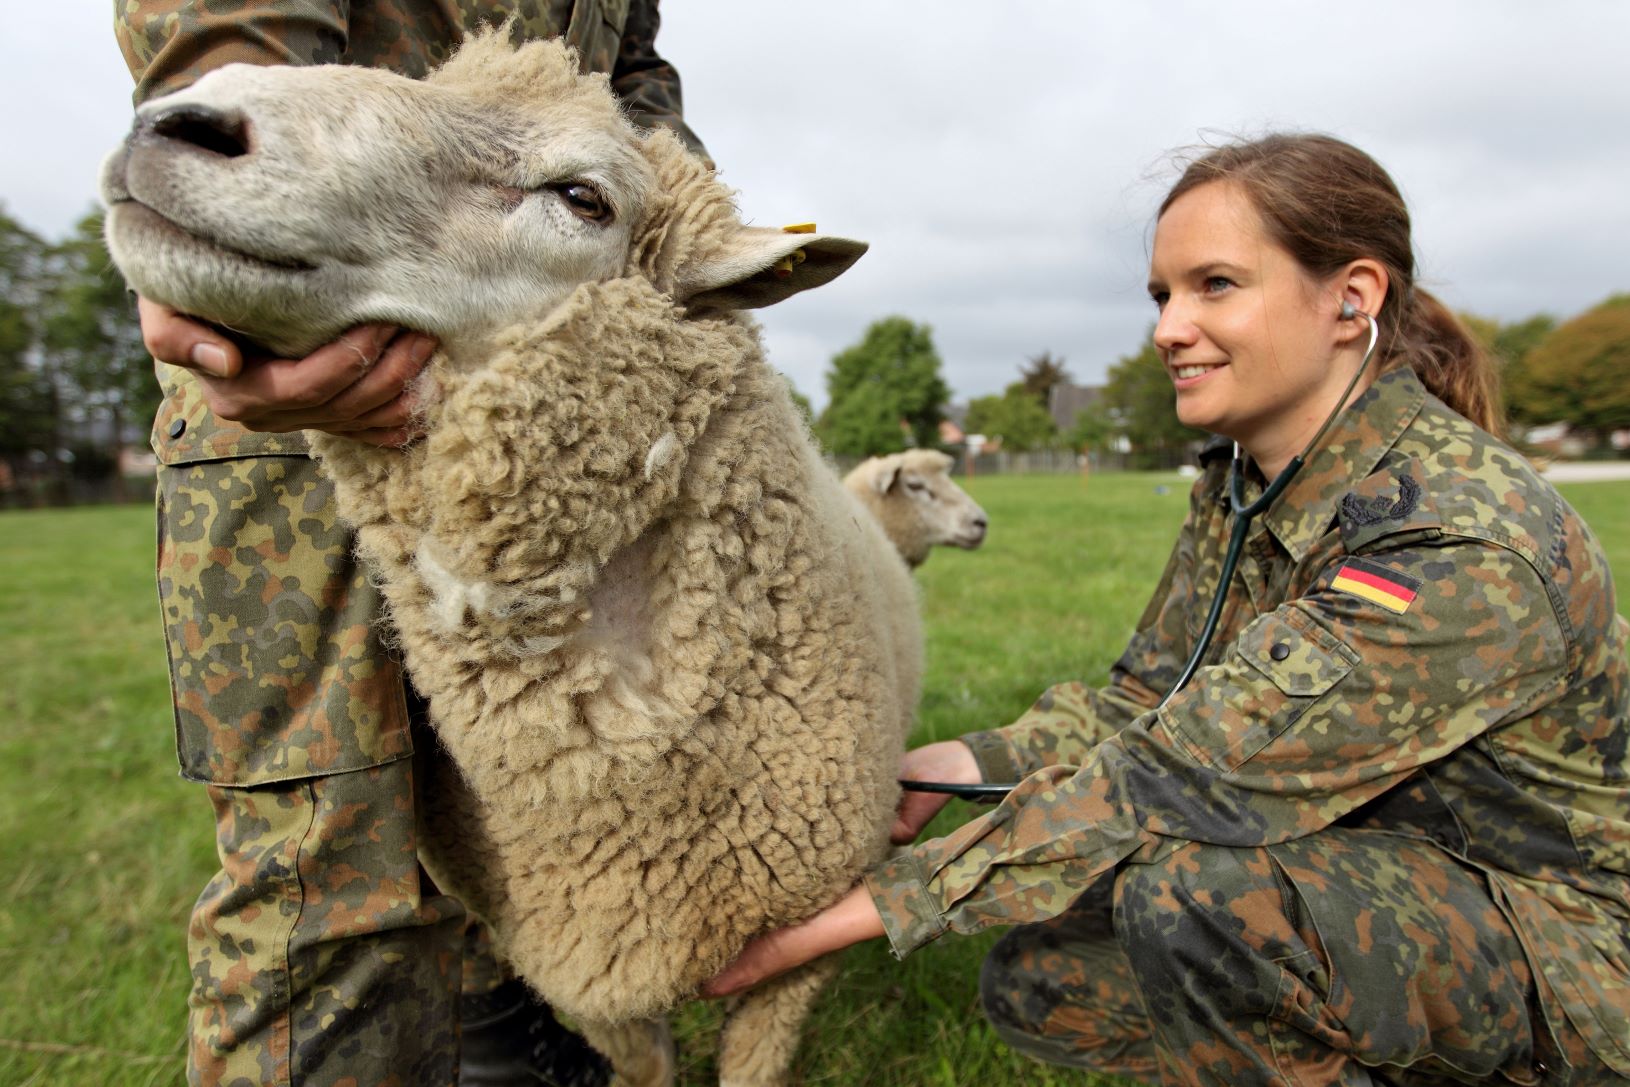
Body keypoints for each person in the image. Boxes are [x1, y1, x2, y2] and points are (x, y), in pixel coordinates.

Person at [706, 134, 1630, 1086]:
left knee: (1194, 898)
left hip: (1573, 954)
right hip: (1399, 878)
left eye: (1216, 285)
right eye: (1162, 295)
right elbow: (1152, 697)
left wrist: (875, 904)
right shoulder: (1249, 484)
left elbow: (1179, 781)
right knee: (1049, 975)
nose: (1169, 329)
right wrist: (966, 761)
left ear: (1352, 299)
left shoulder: (1456, 537)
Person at [111, 3, 704, 1085]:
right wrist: (232, 156)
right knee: (330, 877)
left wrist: (671, 221)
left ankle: (491, 1027)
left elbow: (631, 72)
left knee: (526, 800)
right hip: (315, 366)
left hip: (550, 406)